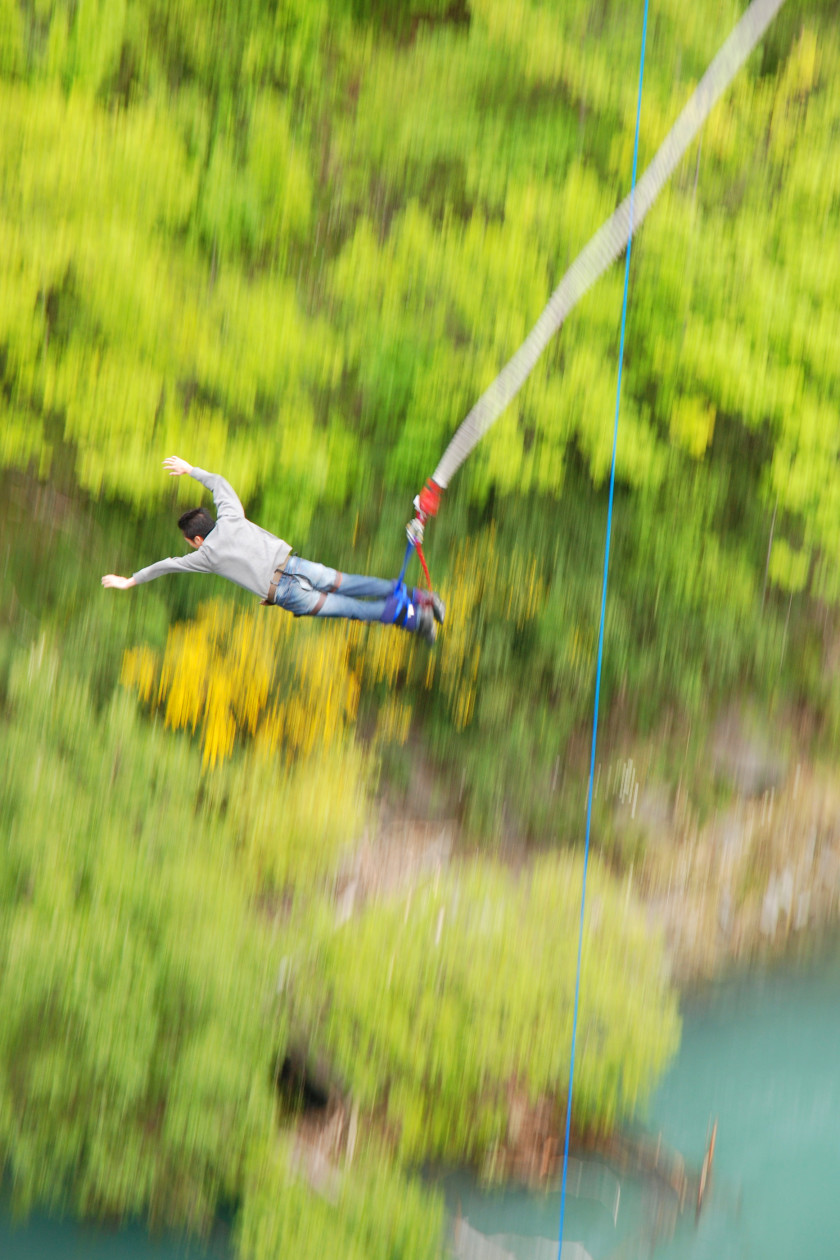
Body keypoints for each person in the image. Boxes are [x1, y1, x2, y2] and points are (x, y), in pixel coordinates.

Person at [101, 458, 444, 644]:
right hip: (298, 566)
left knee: (352, 608)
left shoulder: (205, 556)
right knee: (350, 583)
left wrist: (130, 581)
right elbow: (219, 483)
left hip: (285, 592)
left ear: (197, 541)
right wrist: (191, 470)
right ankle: (423, 598)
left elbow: (166, 565)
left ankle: (417, 619)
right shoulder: (231, 515)